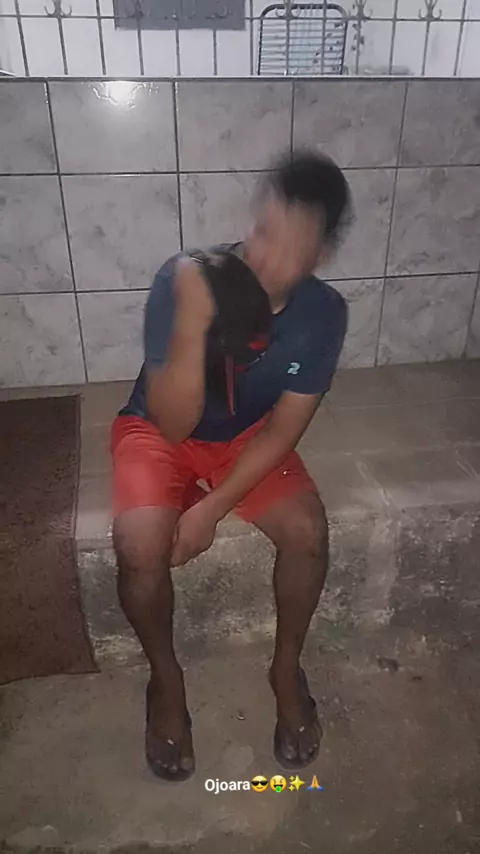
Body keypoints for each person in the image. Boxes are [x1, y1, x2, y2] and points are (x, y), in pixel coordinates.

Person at [111, 151, 351, 782]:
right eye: (264, 231)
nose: (266, 257)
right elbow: (169, 425)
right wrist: (194, 324)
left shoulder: (325, 313)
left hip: (245, 437)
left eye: (292, 246)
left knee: (308, 532)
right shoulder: (186, 280)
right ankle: (166, 681)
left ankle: (285, 670)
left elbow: (284, 428)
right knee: (138, 546)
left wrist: (210, 511)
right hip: (156, 427)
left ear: (322, 253)